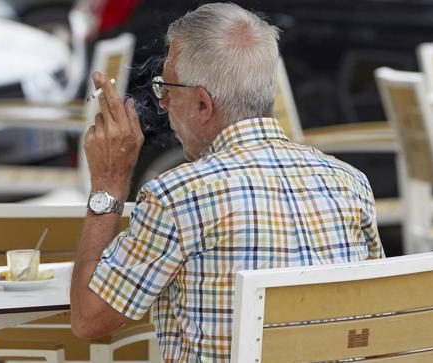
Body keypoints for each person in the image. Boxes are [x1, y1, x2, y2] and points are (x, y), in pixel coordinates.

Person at [70, 3, 384, 362]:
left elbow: (89, 319)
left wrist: (109, 184)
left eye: (167, 87)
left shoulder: (178, 197)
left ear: (203, 104)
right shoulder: (350, 184)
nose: (163, 101)